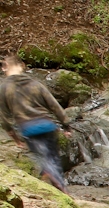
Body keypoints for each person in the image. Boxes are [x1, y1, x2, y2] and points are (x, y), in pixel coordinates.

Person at [0, 55, 71, 192]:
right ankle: (56, 182)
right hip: (48, 125)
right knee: (53, 158)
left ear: (5, 69)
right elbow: (55, 106)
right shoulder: (36, 84)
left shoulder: (4, 88)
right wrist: (66, 125)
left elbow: (4, 117)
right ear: (22, 66)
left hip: (28, 128)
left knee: (44, 158)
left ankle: (57, 183)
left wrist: (15, 138)